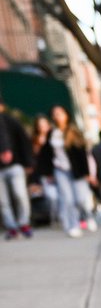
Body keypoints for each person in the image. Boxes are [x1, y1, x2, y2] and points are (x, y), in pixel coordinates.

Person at [38, 105, 96, 237]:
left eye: (60, 113)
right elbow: (46, 155)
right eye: (55, 114)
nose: (57, 116)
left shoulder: (74, 131)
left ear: (66, 115)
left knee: (80, 199)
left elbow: (82, 154)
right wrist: (48, 173)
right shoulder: (51, 134)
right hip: (60, 170)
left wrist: (87, 173)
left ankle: (88, 216)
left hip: (77, 171)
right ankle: (73, 225)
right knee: (67, 199)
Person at [0, 100, 34, 240]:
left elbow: (24, 142)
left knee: (20, 194)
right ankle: (11, 227)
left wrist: (28, 162)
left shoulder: (12, 121)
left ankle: (23, 223)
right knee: (2, 201)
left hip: (15, 165)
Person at [31, 114, 58, 224]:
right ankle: (55, 218)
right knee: (52, 197)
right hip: (45, 174)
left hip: (59, 170)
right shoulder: (35, 141)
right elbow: (35, 161)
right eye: (40, 125)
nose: (43, 127)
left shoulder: (55, 136)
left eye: (44, 125)